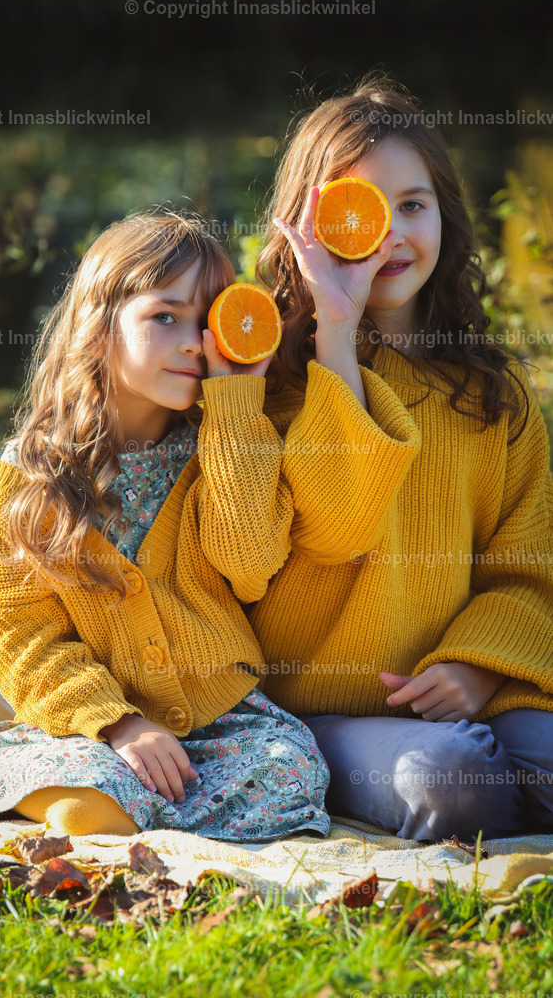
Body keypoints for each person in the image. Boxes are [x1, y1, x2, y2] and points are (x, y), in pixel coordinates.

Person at [0, 211, 329, 840]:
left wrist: (236, 402)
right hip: (93, 727)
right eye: (165, 316)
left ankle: (121, 810)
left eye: (207, 320)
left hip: (218, 723)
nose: (194, 340)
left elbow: (251, 565)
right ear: (98, 326)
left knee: (293, 769)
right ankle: (94, 801)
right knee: (94, 790)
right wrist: (116, 723)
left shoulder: (223, 446)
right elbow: (16, 632)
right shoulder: (34, 474)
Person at [196, 75, 553, 842]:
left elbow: (528, 570)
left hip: (465, 691)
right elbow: (337, 528)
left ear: (444, 217)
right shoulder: (273, 386)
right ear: (301, 230)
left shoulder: (495, 395)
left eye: (411, 205)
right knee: (456, 784)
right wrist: (335, 328)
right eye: (353, 213)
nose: (387, 233)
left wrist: (479, 666)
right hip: (313, 711)